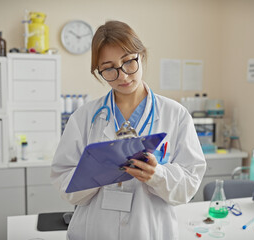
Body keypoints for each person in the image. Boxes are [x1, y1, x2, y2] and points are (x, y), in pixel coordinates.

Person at [51, 20, 206, 240]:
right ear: (99, 71)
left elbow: (189, 185)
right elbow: (63, 180)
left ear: (141, 56)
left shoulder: (176, 115)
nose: (122, 75)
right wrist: (95, 174)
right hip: (95, 230)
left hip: (149, 229)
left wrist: (158, 175)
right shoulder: (84, 117)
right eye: (109, 68)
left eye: (128, 62)